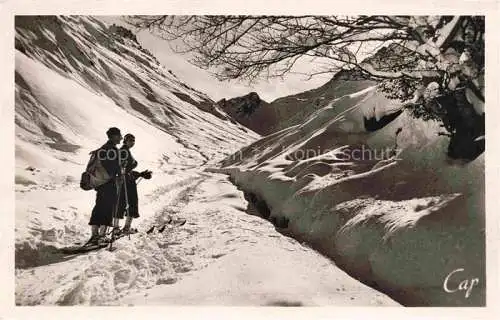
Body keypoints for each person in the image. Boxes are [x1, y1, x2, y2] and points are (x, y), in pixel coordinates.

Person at [87, 127, 122, 245]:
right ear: (113, 136)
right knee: (108, 209)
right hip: (109, 184)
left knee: (98, 207)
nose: (121, 138)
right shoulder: (113, 150)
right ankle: (102, 237)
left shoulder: (101, 149)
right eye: (119, 135)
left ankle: (94, 235)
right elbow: (114, 168)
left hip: (99, 184)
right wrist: (119, 174)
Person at [115, 133, 151, 235]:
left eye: (133, 140)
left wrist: (140, 174)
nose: (132, 142)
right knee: (130, 203)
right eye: (130, 140)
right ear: (125, 141)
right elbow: (124, 169)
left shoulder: (124, 151)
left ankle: (118, 227)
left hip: (125, 181)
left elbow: (127, 170)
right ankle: (124, 228)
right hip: (126, 182)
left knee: (121, 203)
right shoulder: (123, 151)